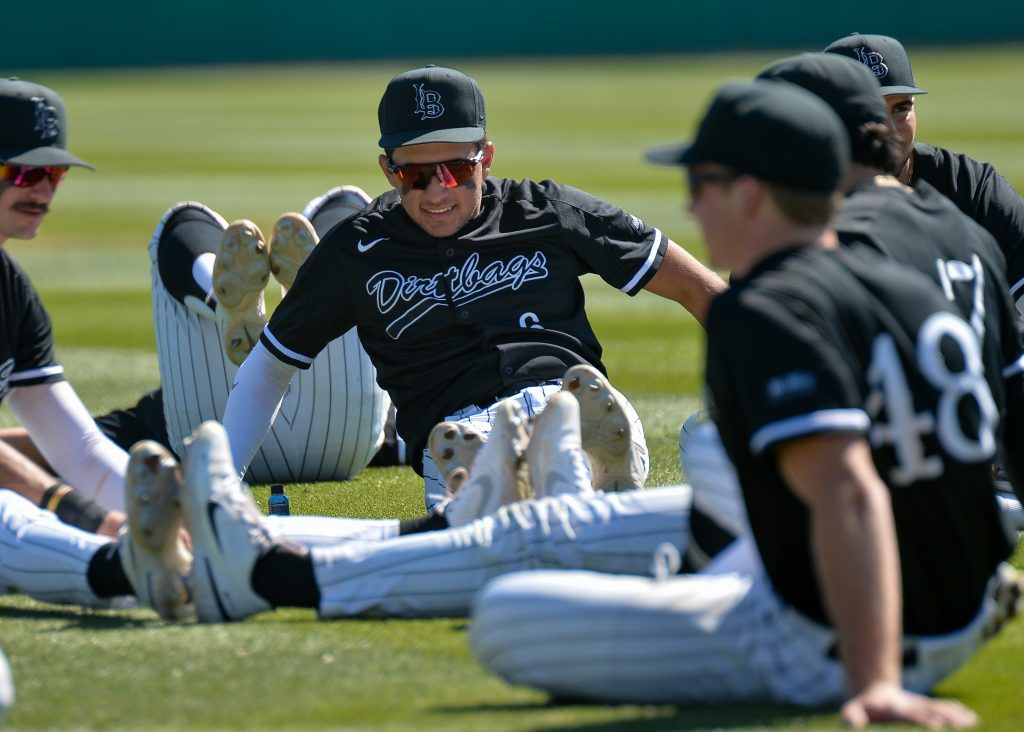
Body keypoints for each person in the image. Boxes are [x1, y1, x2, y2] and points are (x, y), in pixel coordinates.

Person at [469, 80, 1021, 728]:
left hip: (843, 639)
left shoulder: (770, 306)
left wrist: (876, 682)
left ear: (750, 193)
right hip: (960, 597)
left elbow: (848, 491)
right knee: (717, 454)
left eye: (701, 183)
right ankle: (698, 570)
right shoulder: (905, 278)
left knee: (505, 614)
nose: (690, 205)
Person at [221, 64, 726, 510]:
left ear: (486, 157)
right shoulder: (357, 249)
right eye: (416, 175)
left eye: (457, 169)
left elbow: (701, 291)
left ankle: (568, 464)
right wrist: (224, 483)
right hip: (460, 431)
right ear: (388, 170)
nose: (437, 191)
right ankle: (565, 479)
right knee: (489, 467)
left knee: (557, 439)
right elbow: (271, 364)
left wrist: (749, 392)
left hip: (572, 397)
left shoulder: (546, 211)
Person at [0, 186, 396, 487]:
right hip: (342, 445)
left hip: (214, 441)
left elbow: (74, 443)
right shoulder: (396, 407)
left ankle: (216, 296)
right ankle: (316, 278)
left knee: (180, 222)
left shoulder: (159, 411)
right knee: (351, 204)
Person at [0, 77, 128, 537]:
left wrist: (167, 510)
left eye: (53, 174)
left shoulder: (12, 290)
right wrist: (88, 516)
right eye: (23, 173)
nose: (42, 193)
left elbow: (79, 450)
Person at [824, 33, 1024, 309]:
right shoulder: (803, 205)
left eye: (901, 108)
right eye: (869, 113)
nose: (890, 129)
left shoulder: (973, 190)